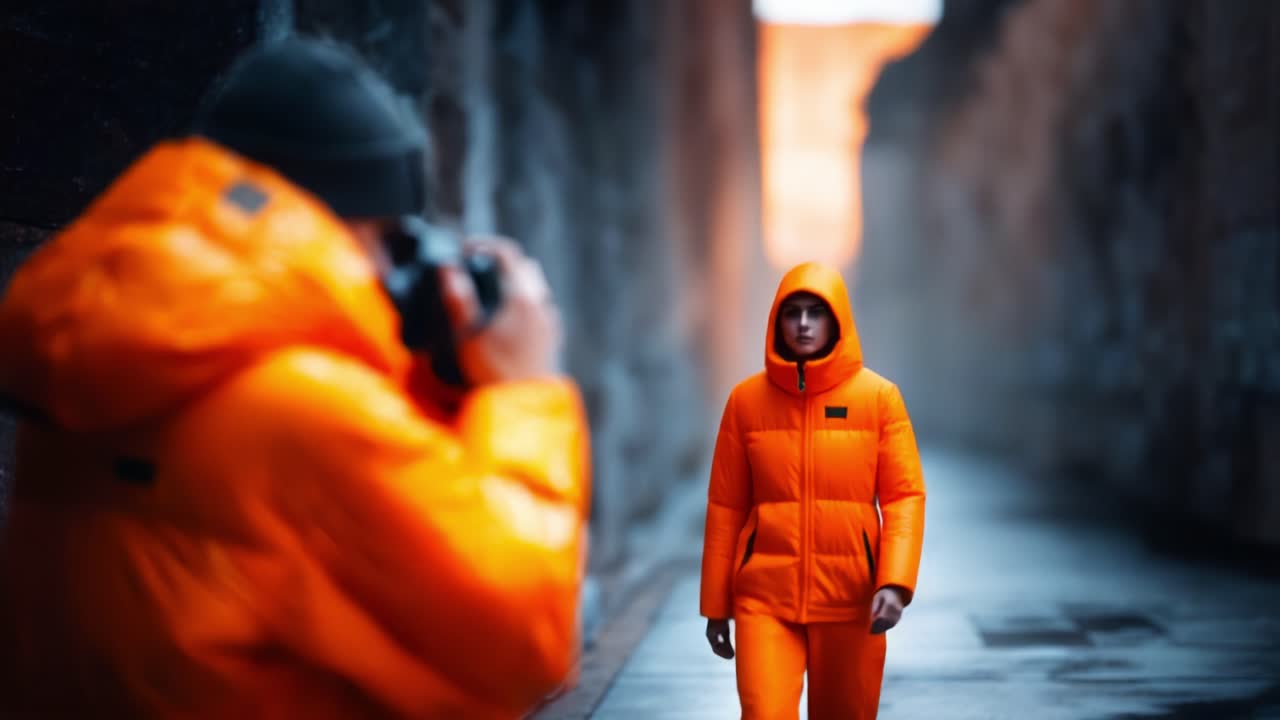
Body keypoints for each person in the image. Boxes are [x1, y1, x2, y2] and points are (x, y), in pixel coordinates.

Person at [0, 38, 589, 719]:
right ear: (352, 223)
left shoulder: (98, 358)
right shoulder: (302, 406)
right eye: (392, 241)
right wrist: (520, 392)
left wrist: (435, 385)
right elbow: (531, 637)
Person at [699, 262, 926, 719]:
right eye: (793, 313)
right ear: (777, 322)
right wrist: (715, 606)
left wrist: (895, 583)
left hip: (852, 601)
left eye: (816, 313)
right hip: (764, 599)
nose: (803, 324)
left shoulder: (879, 399)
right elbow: (726, 507)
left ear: (837, 320)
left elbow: (904, 497)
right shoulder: (745, 402)